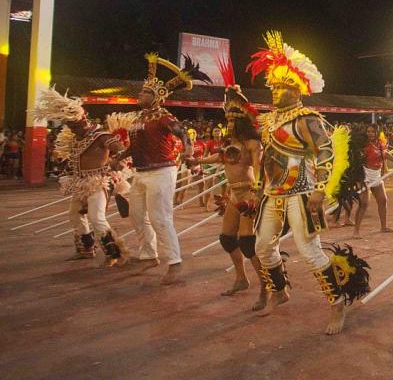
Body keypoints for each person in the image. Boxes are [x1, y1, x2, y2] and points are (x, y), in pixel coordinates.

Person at [248, 31, 370, 334]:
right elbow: (266, 158)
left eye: (283, 86)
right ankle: (279, 291)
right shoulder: (268, 120)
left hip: (301, 194)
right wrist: (257, 187)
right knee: (262, 247)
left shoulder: (308, 118)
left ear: (298, 89)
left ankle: (337, 303)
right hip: (271, 194)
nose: (276, 92)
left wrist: (319, 190)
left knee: (310, 251)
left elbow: (326, 153)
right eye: (273, 86)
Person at [118, 54, 209, 284]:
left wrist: (189, 154)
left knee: (160, 218)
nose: (140, 95)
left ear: (156, 96)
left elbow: (184, 133)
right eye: (141, 92)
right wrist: (119, 156)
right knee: (137, 215)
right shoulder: (139, 117)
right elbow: (135, 145)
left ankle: (174, 262)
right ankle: (149, 255)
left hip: (161, 171)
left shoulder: (164, 117)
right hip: (140, 172)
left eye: (145, 92)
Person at [188, 81, 266, 309]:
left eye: (233, 120)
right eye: (228, 120)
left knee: (248, 242)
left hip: (248, 194)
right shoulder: (230, 142)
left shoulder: (252, 142)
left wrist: (258, 188)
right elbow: (219, 157)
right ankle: (242, 279)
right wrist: (197, 160)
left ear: (242, 121)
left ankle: (265, 286)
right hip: (233, 195)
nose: (229, 124)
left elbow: (258, 166)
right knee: (227, 239)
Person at [32, 88, 129, 264]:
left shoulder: (101, 136)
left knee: (96, 217)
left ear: (83, 120)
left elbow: (121, 149)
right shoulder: (76, 138)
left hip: (98, 182)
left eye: (74, 126)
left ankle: (114, 254)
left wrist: (119, 163)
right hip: (80, 182)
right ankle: (87, 248)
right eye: (69, 126)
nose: (72, 129)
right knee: (75, 215)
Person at [351, 124, 393, 237]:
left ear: (377, 132)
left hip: (377, 175)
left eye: (372, 131)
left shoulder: (380, 143)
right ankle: (356, 231)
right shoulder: (363, 144)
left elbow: (385, 154)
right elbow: (355, 159)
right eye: (368, 131)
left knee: (383, 200)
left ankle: (383, 227)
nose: (370, 133)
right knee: (364, 203)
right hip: (364, 175)